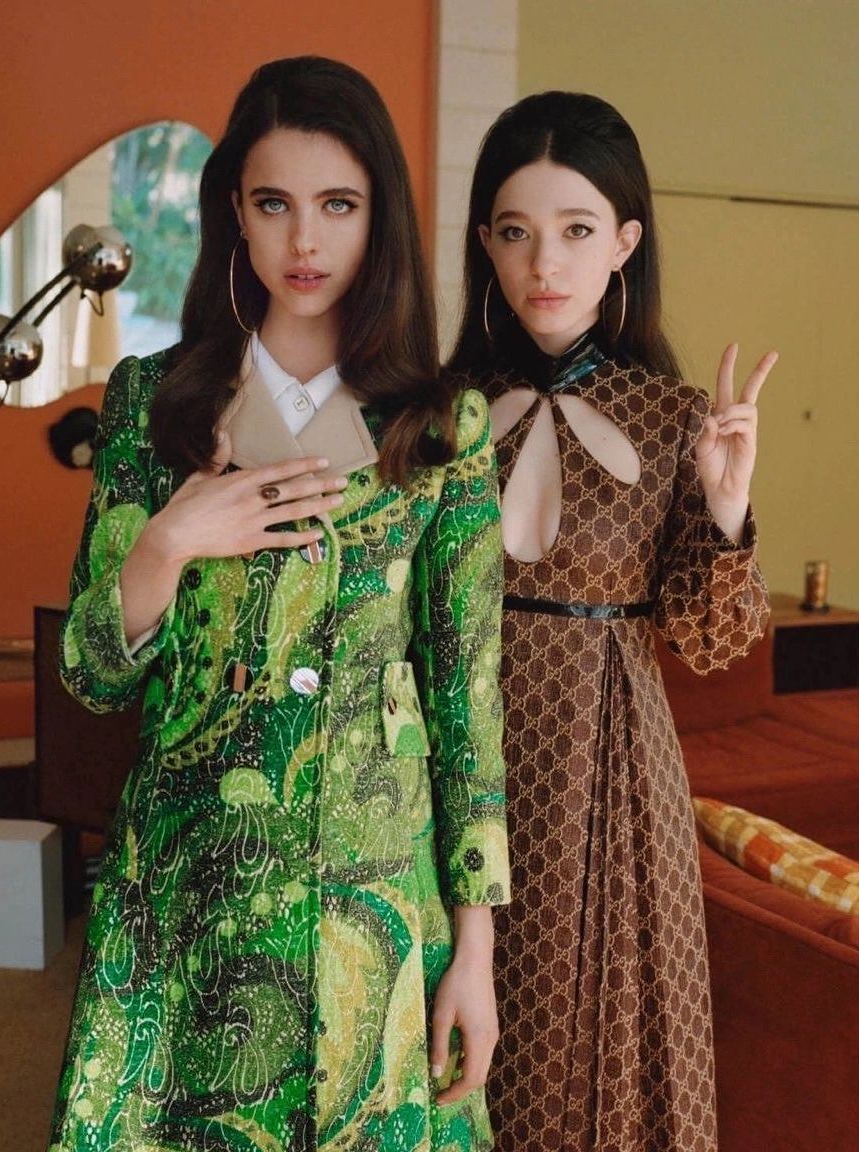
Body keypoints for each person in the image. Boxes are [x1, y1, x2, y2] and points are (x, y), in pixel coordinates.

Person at [49, 56, 509, 1152]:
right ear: (234, 215)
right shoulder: (152, 402)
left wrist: (474, 951)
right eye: (273, 204)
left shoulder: (444, 427)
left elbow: (467, 704)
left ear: (379, 219)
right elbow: (91, 675)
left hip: (374, 901)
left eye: (338, 205)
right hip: (187, 885)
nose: (305, 241)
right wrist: (169, 541)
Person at [448, 90, 776, 1152]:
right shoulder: (436, 412)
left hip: (609, 777)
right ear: (485, 245)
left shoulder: (678, 417)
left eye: (577, 230)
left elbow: (714, 642)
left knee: (586, 1069)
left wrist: (725, 506)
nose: (545, 262)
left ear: (625, 242)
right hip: (449, 759)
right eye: (515, 232)